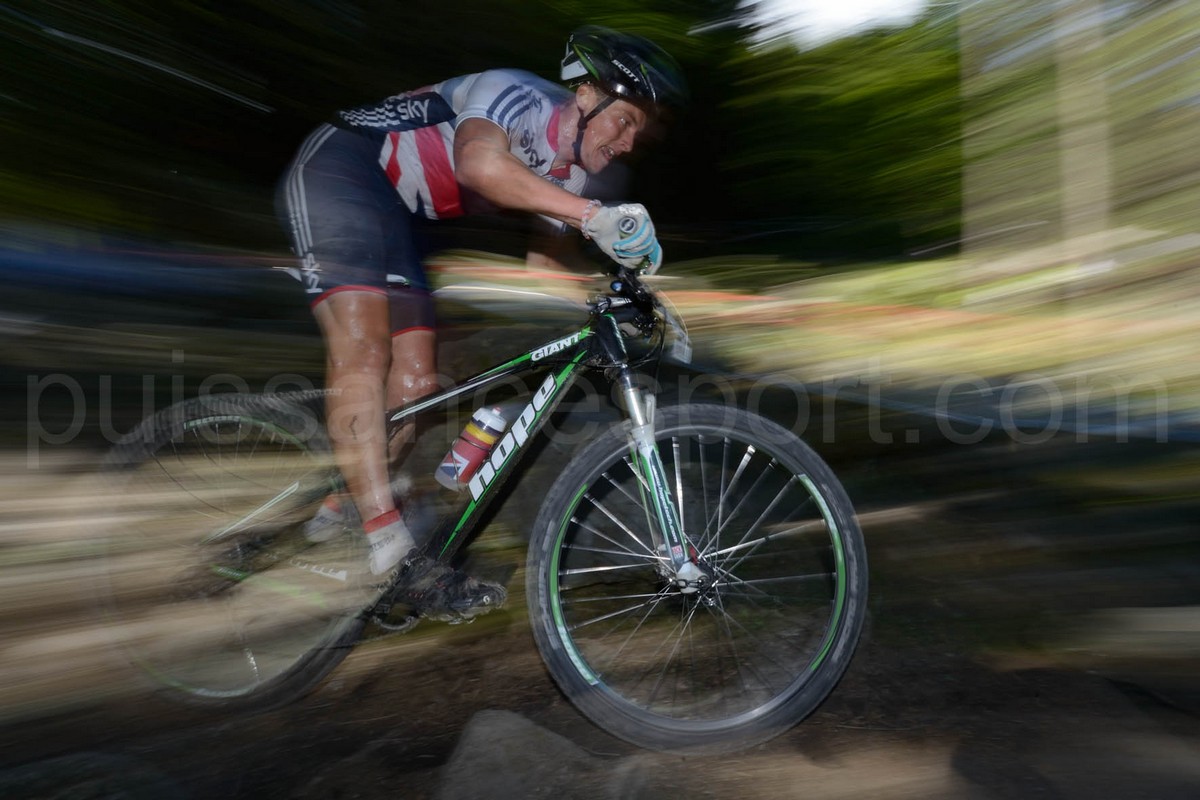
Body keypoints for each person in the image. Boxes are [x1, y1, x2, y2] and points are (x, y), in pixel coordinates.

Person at [276, 26, 686, 618]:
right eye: (623, 121)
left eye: (638, 132)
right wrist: (594, 215)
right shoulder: (513, 93)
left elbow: (547, 267)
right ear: (584, 96)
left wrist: (639, 302)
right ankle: (390, 549)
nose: (627, 142)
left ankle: (343, 505)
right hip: (341, 167)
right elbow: (477, 163)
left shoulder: (572, 177)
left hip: (395, 216)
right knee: (365, 349)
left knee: (418, 385)